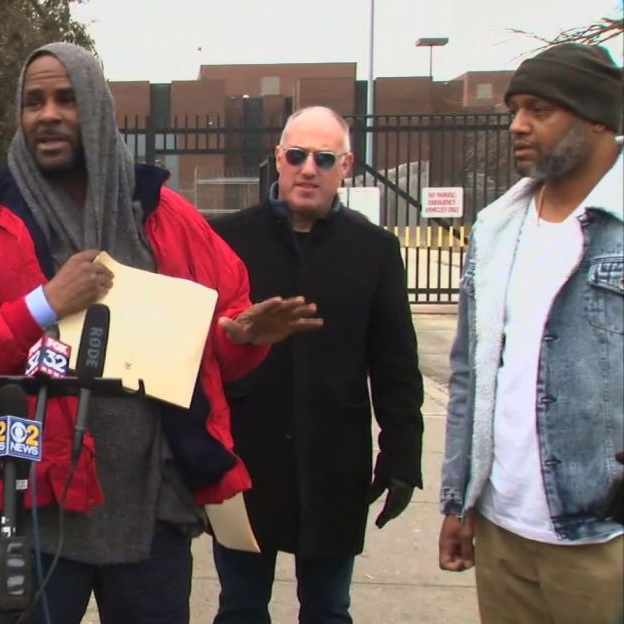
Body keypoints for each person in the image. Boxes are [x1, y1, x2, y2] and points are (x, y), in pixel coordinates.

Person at [0, 42, 321, 624]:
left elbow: (218, 338)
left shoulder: (166, 216)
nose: (46, 114)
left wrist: (245, 337)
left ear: (97, 110)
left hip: (150, 513)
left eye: (66, 99)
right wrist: (43, 304)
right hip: (27, 508)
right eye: (33, 102)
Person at [209, 106, 424, 624]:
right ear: (279, 160)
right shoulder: (230, 239)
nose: (309, 169)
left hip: (334, 462)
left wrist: (401, 457)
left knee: (329, 608)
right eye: (298, 155)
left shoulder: (374, 249)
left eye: (324, 158)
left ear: (345, 166)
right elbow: (198, 348)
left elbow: (396, 364)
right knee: (240, 606)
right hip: (247, 458)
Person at [438, 43, 624, 624]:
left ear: (597, 117)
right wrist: (459, 499)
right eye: (515, 108)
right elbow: (471, 371)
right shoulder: (498, 227)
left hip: (602, 538)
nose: (517, 124)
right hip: (503, 527)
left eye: (539, 109)